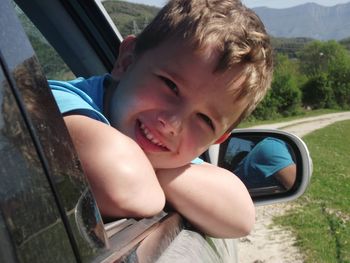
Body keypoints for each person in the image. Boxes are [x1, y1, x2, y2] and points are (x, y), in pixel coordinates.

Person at [49, 0, 273, 238]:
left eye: (205, 120)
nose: (173, 123)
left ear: (218, 139)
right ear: (126, 62)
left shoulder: (163, 150)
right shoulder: (54, 103)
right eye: (170, 85)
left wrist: (157, 173)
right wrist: (168, 178)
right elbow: (121, 187)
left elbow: (242, 217)